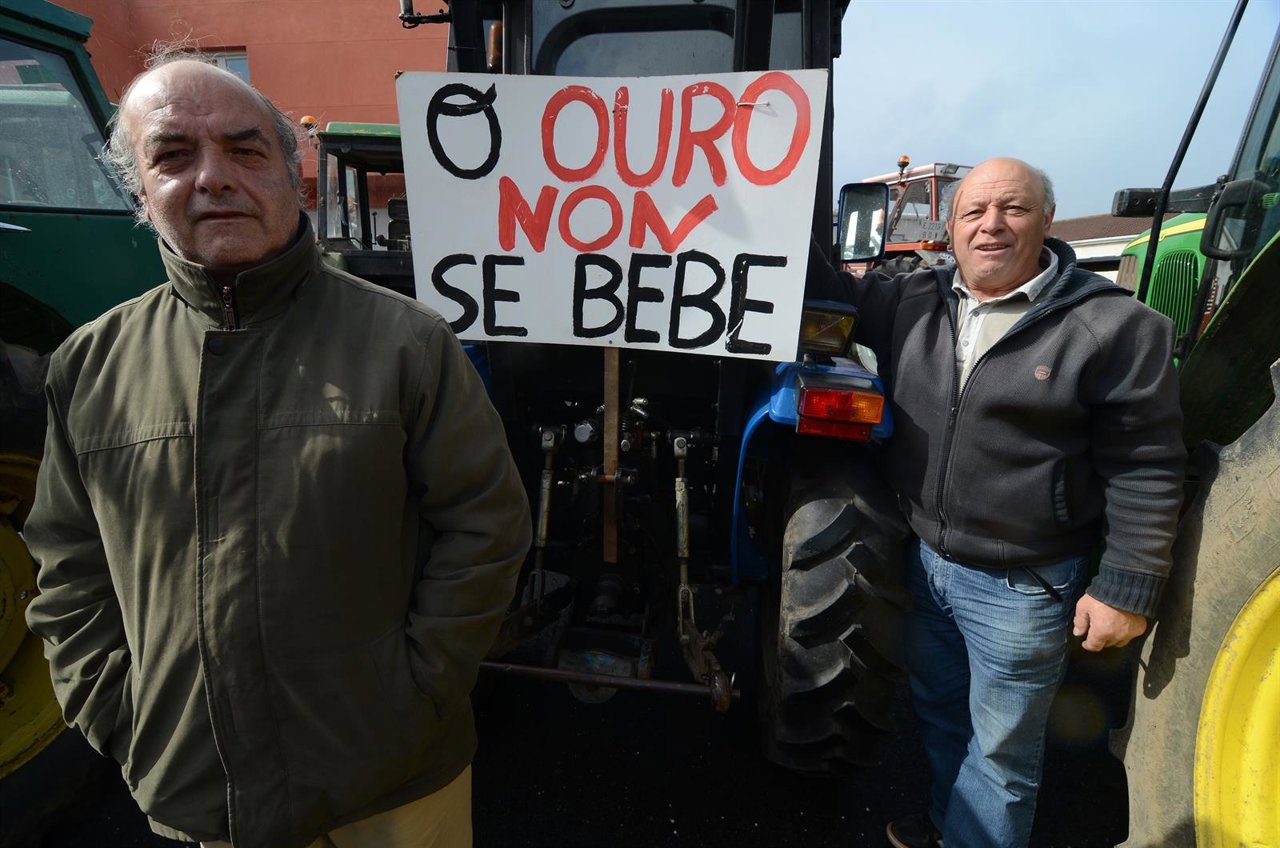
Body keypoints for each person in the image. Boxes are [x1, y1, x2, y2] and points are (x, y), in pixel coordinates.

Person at [23, 55, 531, 848]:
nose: (213, 177)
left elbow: (486, 528)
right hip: (199, 791)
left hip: (395, 784)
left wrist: (419, 692)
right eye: (173, 155)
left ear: (294, 179)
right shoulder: (90, 366)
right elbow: (67, 564)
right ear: (140, 193)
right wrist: (117, 712)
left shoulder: (407, 343)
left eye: (245, 149)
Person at [809, 158, 1186, 848]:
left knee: (1001, 753)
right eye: (974, 212)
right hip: (928, 565)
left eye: (1013, 208)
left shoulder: (1114, 326)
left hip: (1024, 585)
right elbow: (829, 289)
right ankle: (947, 824)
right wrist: (778, 208)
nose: (991, 226)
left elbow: (1147, 465)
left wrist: (1126, 586)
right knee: (942, 714)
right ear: (951, 227)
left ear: (1046, 220)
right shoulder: (913, 298)